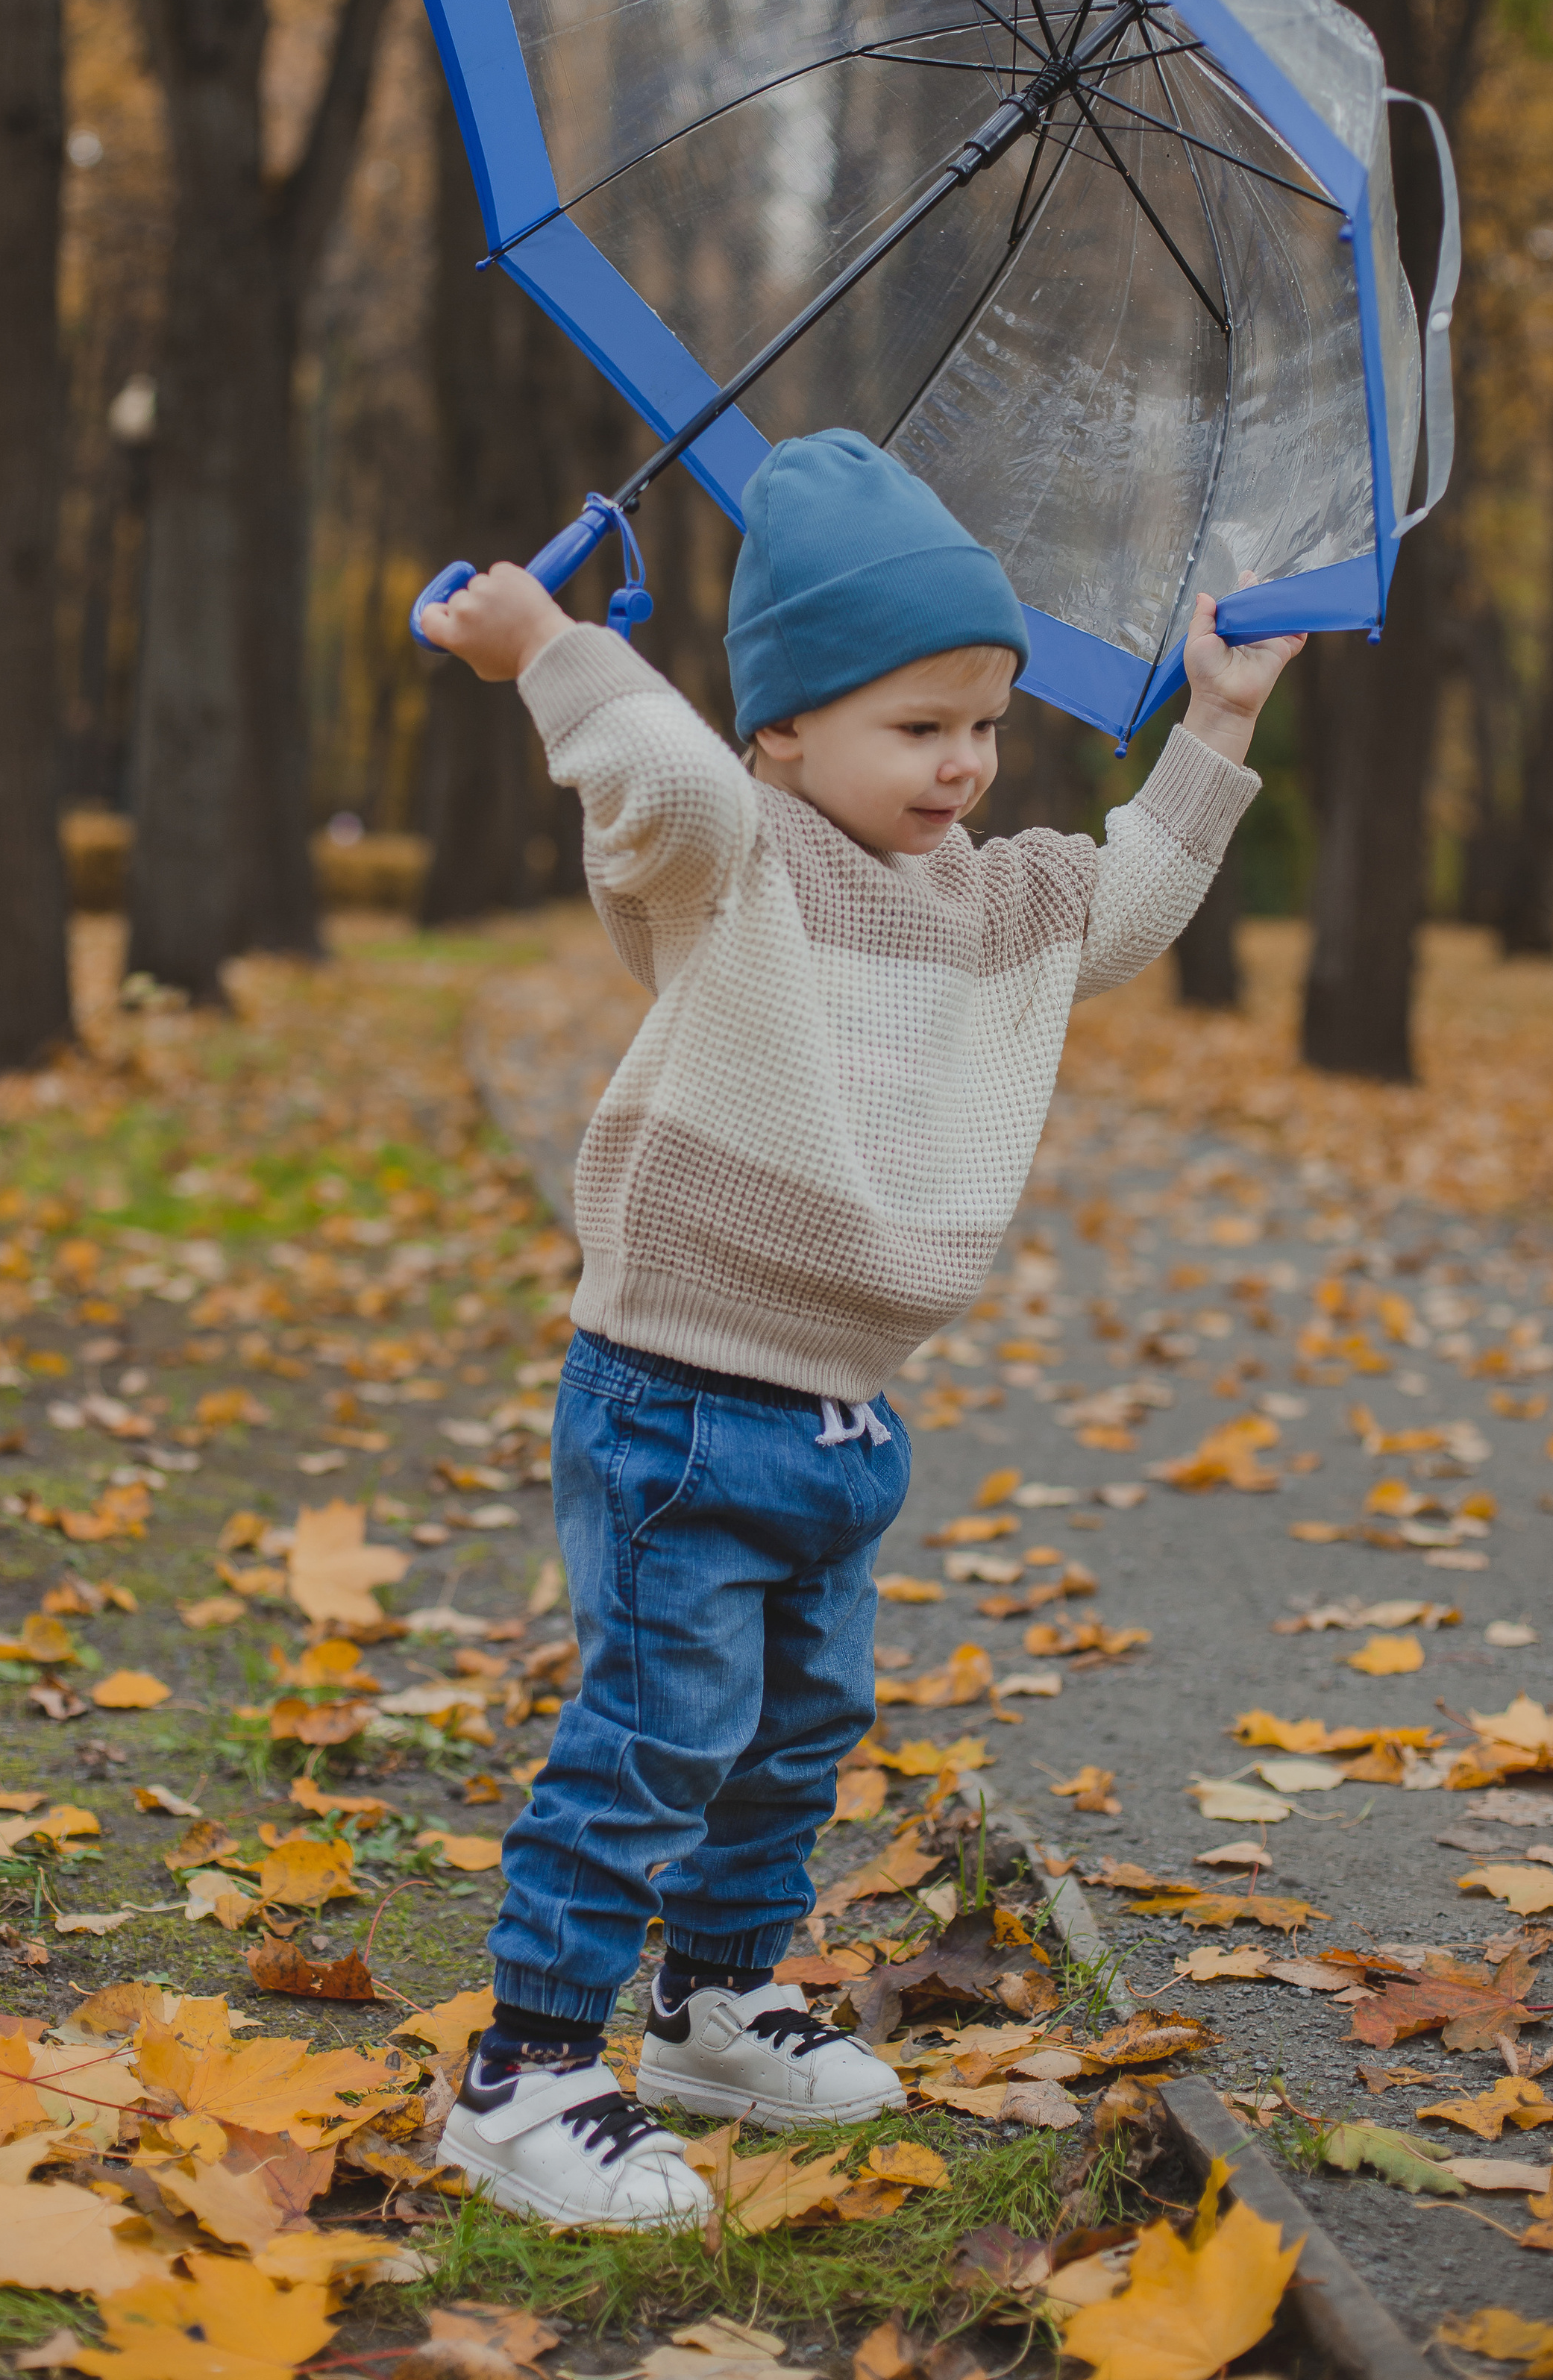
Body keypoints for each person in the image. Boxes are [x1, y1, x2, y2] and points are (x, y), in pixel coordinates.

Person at [415, 430, 1304, 2228]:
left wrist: (1213, 725)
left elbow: (1127, 896)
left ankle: (714, 2005)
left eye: (983, 721)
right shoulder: (726, 861)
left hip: (839, 1417)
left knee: (795, 1730)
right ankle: (521, 2069)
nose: (964, 762)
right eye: (917, 725)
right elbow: (652, 777)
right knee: (656, 1733)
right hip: (674, 1397)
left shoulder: (988, 899)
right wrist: (550, 652)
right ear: (785, 731)